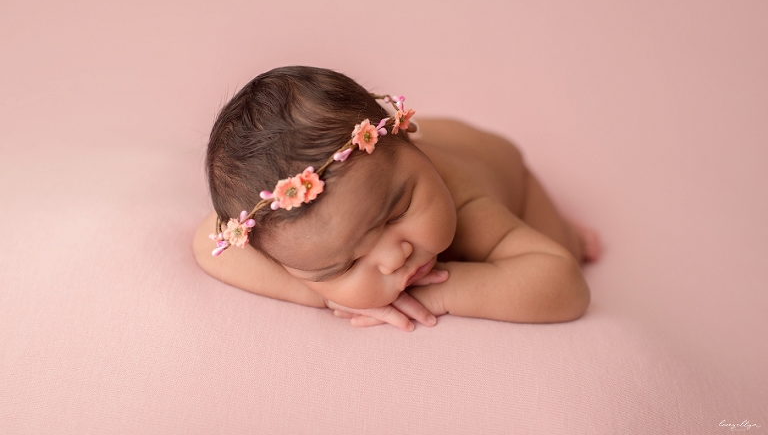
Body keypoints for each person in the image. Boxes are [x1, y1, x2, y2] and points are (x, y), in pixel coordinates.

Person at [192, 66, 600, 332]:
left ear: (405, 136)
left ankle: (572, 233)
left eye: (396, 212)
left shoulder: (465, 204)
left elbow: (565, 286)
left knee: (558, 247)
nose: (393, 259)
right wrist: (327, 291)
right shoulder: (284, 228)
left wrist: (441, 292)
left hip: (507, 174)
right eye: (344, 264)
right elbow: (206, 245)